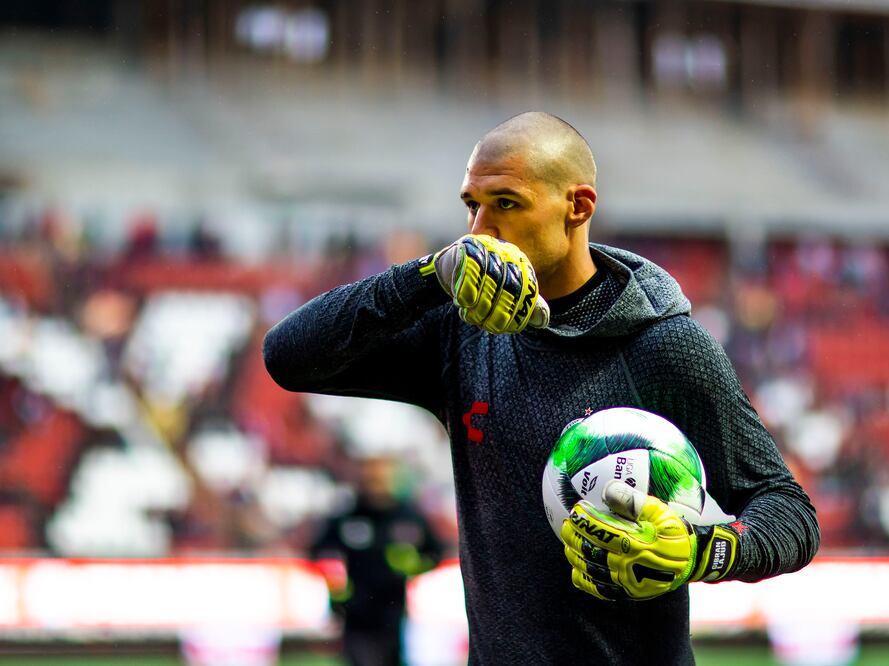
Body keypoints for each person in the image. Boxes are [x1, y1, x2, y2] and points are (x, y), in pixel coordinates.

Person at [265, 111, 820, 665]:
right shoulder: (460, 333)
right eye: (471, 206)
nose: (480, 230)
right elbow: (289, 357)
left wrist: (705, 550)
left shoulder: (664, 346)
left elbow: (789, 512)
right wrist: (426, 275)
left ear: (578, 207)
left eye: (506, 203)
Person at [310, 455, 443, 666]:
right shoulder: (348, 516)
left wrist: (409, 568)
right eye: (371, 477)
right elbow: (320, 553)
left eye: (380, 477)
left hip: (393, 610)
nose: (376, 483)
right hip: (355, 612)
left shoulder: (407, 517)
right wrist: (339, 589)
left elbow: (435, 553)